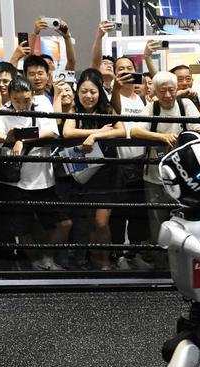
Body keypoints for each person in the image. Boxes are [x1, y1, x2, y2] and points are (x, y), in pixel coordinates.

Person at [0, 77, 69, 271]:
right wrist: (11, 138)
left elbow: (52, 131)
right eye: (17, 100)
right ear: (10, 97)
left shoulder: (42, 107)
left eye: (26, 99)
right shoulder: (3, 113)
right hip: (15, 182)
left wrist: (22, 138)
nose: (22, 104)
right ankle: (35, 263)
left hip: (43, 179)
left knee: (64, 223)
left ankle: (47, 259)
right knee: (21, 228)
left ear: (32, 95)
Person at [130, 71, 200, 262]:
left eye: (171, 90)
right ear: (154, 91)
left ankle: (185, 258)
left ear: (176, 89)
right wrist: (161, 137)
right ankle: (162, 261)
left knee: (185, 218)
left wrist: (182, 139)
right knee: (157, 220)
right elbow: (134, 130)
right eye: (162, 91)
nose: (167, 95)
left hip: (184, 177)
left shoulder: (185, 105)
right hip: (154, 176)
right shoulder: (152, 108)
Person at [62, 69, 126, 270]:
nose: (88, 96)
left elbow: (122, 131)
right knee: (90, 220)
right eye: (84, 91)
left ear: (100, 92)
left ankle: (104, 260)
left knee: (101, 222)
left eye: (93, 92)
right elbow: (67, 131)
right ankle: (94, 258)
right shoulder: (74, 110)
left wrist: (95, 137)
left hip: (107, 173)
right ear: (77, 92)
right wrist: (97, 132)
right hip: (84, 173)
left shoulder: (107, 110)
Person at [109, 57, 152, 270]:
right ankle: (118, 254)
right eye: (121, 69)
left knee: (138, 213)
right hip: (117, 163)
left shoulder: (144, 101)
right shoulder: (112, 98)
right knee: (118, 213)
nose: (125, 72)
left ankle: (134, 252)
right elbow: (112, 112)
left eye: (129, 69)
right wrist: (115, 87)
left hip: (140, 163)